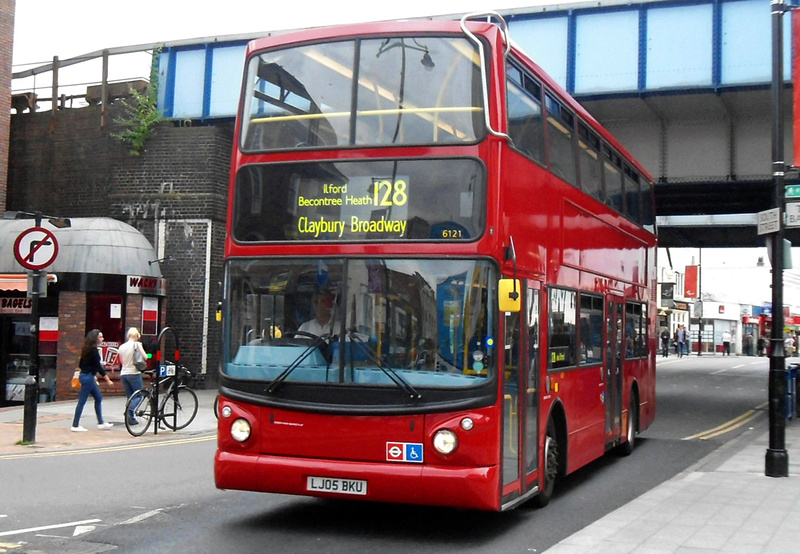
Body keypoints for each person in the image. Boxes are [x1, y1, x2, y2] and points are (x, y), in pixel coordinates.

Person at [71, 329, 114, 432]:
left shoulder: (86, 349)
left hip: (87, 376)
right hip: (88, 377)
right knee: (82, 401)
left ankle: (101, 423)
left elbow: (81, 364)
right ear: (95, 338)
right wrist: (107, 379)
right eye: (100, 337)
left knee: (98, 398)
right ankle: (75, 425)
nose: (102, 339)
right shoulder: (94, 350)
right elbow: (98, 367)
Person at [118, 327, 148, 425]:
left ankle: (131, 419)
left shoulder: (121, 347)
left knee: (130, 397)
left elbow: (121, 361)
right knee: (139, 395)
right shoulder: (137, 344)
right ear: (136, 335)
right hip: (134, 373)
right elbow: (146, 357)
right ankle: (129, 411)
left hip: (124, 374)